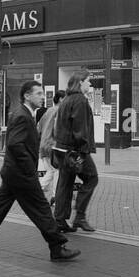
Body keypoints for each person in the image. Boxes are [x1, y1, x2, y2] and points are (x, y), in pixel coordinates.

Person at [0, 81, 79, 262]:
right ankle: (57, 247)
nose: (42, 97)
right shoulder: (22, 116)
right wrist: (29, 170)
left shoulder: (24, 114)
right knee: (41, 210)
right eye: (38, 93)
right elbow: (15, 145)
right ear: (27, 95)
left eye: (42, 93)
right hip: (21, 175)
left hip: (13, 174)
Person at [52, 73, 100, 234]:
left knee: (65, 184)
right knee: (92, 178)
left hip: (61, 148)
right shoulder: (80, 100)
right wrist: (83, 150)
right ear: (80, 83)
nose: (90, 83)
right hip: (75, 150)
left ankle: (59, 220)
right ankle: (79, 216)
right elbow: (80, 129)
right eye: (88, 81)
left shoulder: (66, 99)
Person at [37, 93, 63, 204]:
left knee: (51, 170)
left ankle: (49, 195)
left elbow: (38, 127)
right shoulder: (59, 111)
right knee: (56, 170)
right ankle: (54, 196)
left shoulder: (48, 111)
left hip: (44, 144)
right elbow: (58, 129)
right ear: (61, 99)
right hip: (52, 145)